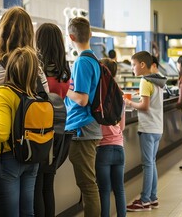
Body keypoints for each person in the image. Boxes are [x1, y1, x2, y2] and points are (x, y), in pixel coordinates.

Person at [0, 6, 48, 217]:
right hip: (32, 150)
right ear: (29, 34)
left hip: (5, 155)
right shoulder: (37, 69)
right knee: (28, 212)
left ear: (1, 31)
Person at [0, 46, 41, 216]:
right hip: (32, 157)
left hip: (8, 159)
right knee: (27, 212)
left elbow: (0, 133)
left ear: (10, 67)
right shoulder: (35, 95)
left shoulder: (3, 93)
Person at [65, 17, 102, 217]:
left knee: (88, 184)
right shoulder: (93, 59)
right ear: (91, 35)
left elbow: (82, 99)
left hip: (83, 127)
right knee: (87, 183)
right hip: (87, 126)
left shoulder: (82, 62)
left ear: (71, 37)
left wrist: (63, 89)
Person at [34, 23, 71, 217]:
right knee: (48, 186)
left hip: (39, 132)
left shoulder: (39, 73)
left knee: (36, 187)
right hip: (58, 135)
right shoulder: (64, 72)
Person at [124, 51, 166, 212]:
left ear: (142, 65)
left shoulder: (144, 81)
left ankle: (144, 200)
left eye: (133, 64)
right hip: (157, 128)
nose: (132, 68)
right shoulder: (157, 79)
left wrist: (129, 102)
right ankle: (153, 198)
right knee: (152, 163)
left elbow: (145, 106)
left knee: (148, 165)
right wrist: (139, 97)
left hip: (148, 128)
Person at [96, 58, 126, 217]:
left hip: (103, 149)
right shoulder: (120, 94)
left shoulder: (98, 96)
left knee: (104, 191)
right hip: (119, 147)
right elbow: (121, 127)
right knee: (120, 190)